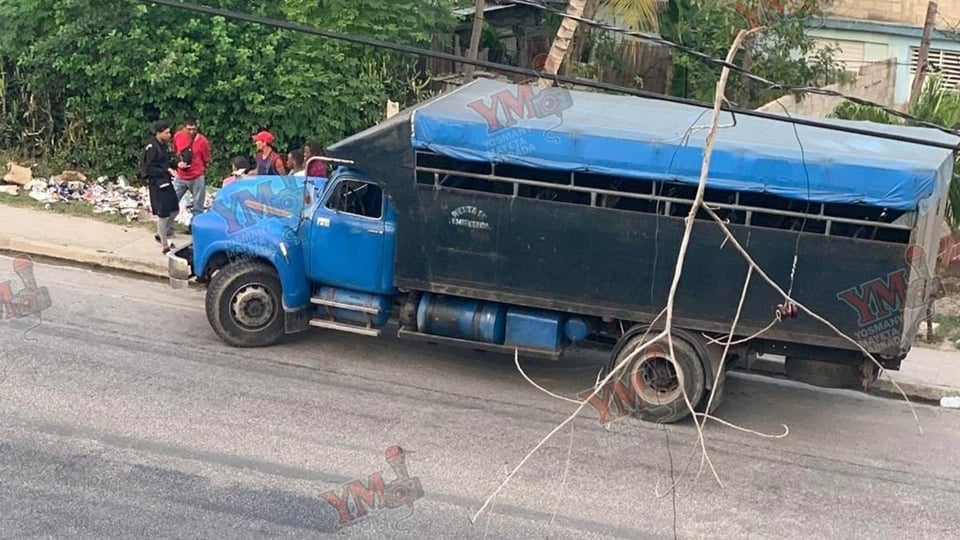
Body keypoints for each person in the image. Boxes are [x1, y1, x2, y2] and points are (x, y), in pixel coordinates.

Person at [139, 121, 179, 254]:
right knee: (163, 214)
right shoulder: (152, 147)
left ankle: (162, 232)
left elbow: (165, 162)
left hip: (166, 181)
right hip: (157, 184)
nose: (169, 135)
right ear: (159, 133)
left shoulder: (163, 145)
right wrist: (166, 170)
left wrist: (176, 165)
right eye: (166, 132)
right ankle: (164, 244)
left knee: (174, 209)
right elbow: (148, 168)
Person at [172, 118, 211, 213]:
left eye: (194, 129)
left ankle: (194, 226)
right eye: (189, 129)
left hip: (197, 176)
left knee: (198, 206)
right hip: (181, 176)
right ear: (184, 128)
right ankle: (167, 226)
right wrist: (178, 163)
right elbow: (176, 153)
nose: (191, 132)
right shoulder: (178, 136)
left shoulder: (202, 141)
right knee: (171, 202)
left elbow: (206, 158)